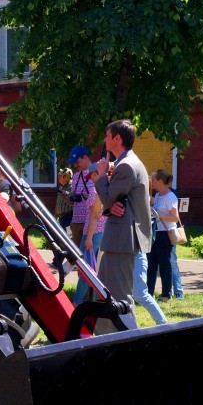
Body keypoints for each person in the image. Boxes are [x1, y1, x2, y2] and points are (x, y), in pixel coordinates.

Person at [89, 119, 152, 333]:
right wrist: (111, 205)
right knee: (105, 292)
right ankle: (105, 338)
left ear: (117, 138)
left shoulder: (125, 165)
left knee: (118, 295)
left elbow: (107, 199)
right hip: (120, 238)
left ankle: (131, 339)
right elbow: (115, 203)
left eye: (107, 135)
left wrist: (100, 175)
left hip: (122, 239)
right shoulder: (128, 162)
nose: (104, 139)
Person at [73, 170, 107, 304]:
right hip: (100, 232)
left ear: (98, 174)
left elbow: (94, 215)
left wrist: (88, 238)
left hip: (92, 234)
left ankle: (77, 302)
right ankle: (93, 300)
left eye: (92, 176)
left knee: (86, 271)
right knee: (94, 269)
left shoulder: (95, 191)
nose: (90, 180)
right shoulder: (107, 190)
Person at [147, 169, 180, 300]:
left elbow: (175, 218)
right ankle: (149, 293)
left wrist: (159, 215)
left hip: (165, 234)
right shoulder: (157, 195)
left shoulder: (170, 197)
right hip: (155, 232)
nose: (151, 182)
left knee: (164, 264)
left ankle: (166, 294)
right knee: (151, 264)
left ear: (160, 181)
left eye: (153, 179)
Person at [67, 145, 95, 250]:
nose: (75, 164)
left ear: (85, 157)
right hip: (75, 221)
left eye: (77, 161)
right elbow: (72, 200)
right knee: (73, 252)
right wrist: (68, 197)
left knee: (87, 254)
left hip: (89, 222)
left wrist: (86, 197)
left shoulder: (96, 173)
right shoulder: (75, 176)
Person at [134, 250, 167, 325]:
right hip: (120, 256)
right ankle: (131, 327)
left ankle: (162, 323)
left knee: (140, 293)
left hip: (136, 255)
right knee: (123, 295)